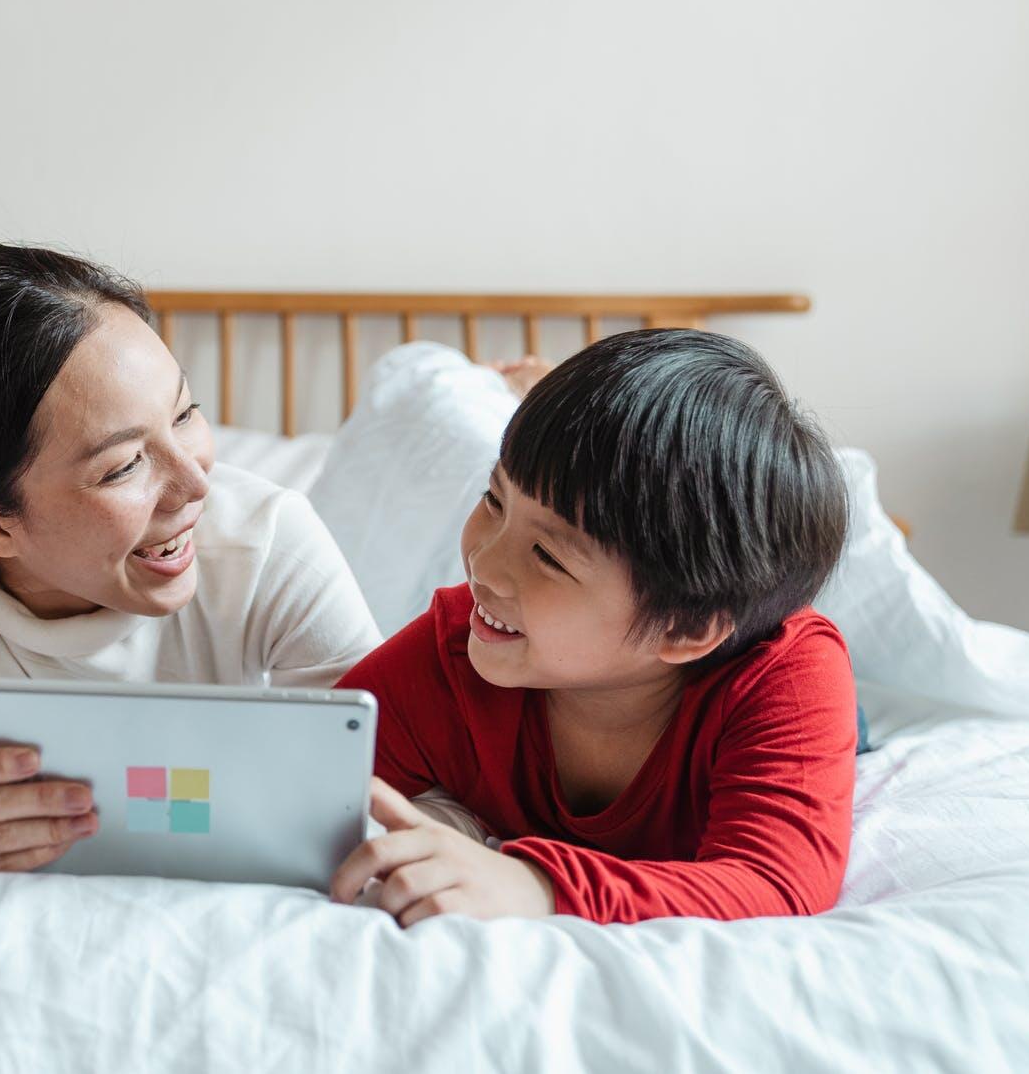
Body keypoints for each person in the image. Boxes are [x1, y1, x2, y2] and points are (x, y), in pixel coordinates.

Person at [0, 242, 386, 873]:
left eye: (185, 414)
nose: (196, 485)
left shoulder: (269, 541)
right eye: (123, 466)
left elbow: (394, 795)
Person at [331, 329, 855, 923]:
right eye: (494, 501)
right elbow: (292, 781)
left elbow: (773, 884)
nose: (482, 565)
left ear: (685, 630)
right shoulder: (454, 650)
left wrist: (537, 886)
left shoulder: (784, 678)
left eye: (548, 557)